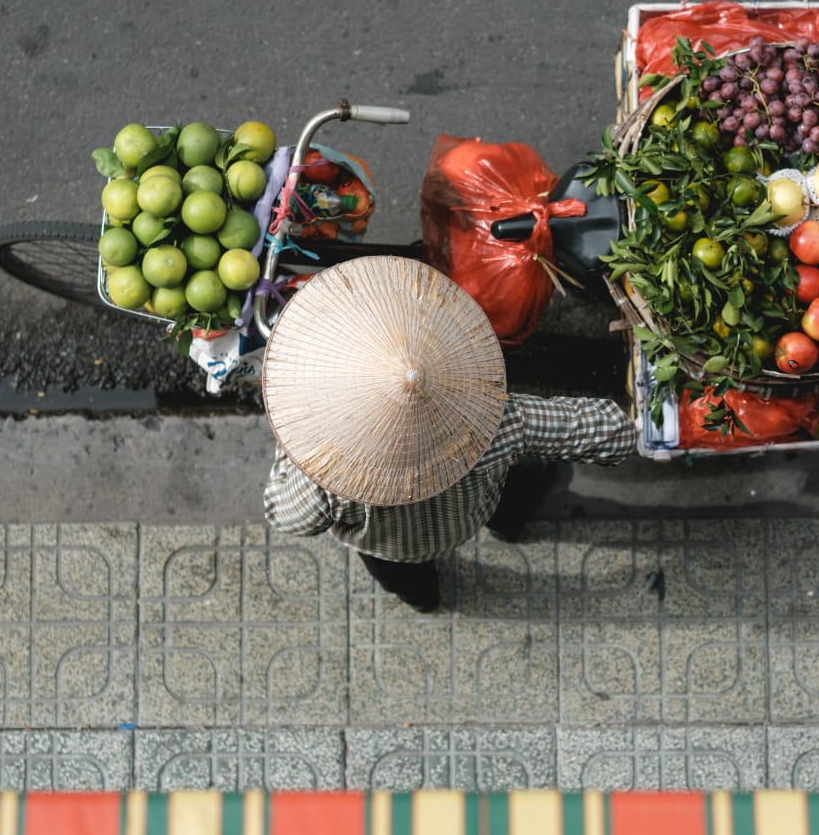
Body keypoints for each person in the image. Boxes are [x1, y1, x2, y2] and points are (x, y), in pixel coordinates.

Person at [259, 255, 635, 612]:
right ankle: (507, 526)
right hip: (469, 513)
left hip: (397, 549)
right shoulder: (499, 421)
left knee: (407, 583)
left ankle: (424, 600)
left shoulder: (327, 476)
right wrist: (639, 426)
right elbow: (598, 431)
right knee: (514, 493)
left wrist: (296, 446)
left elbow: (289, 517)